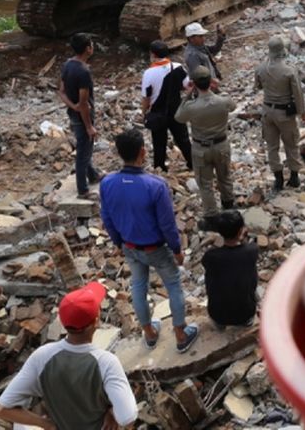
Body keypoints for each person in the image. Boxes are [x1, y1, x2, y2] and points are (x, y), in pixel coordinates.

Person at [99, 128, 199, 354]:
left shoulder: (107, 183)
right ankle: (181, 334)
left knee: (138, 285)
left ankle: (149, 332)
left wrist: (117, 243)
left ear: (119, 153)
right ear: (143, 152)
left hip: (129, 246)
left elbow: (106, 216)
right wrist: (176, 249)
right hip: (156, 248)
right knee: (173, 284)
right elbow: (167, 225)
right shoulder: (155, 185)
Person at [0, 281, 139, 430]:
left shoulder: (43, 356)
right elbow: (128, 418)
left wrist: (46, 425)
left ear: (63, 322)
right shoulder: (106, 362)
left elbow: (1, 409)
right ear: (96, 321)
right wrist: (112, 411)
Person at [175, 68, 235, 215]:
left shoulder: (191, 107)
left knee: (205, 184)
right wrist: (217, 88)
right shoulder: (223, 101)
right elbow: (233, 106)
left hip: (201, 148)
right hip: (221, 145)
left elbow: (178, 117)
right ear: (211, 81)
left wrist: (188, 95)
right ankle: (229, 207)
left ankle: (212, 214)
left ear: (194, 84)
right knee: (225, 177)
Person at [253, 36, 305, 191]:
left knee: (272, 146)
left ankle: (278, 179)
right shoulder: (289, 71)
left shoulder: (260, 68)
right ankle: (294, 177)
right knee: (291, 143)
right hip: (285, 113)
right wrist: (302, 112)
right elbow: (297, 94)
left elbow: (257, 87)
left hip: (267, 111)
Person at [59, 33, 101, 198]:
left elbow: (61, 92)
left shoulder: (68, 64)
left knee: (85, 147)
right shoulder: (84, 72)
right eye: (91, 44)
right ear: (88, 49)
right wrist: (89, 126)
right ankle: (82, 189)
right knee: (83, 152)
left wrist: (72, 106)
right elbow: (84, 103)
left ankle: (93, 175)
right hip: (83, 117)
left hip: (74, 114)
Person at [140, 41, 192, 173]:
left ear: (153, 54)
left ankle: (160, 167)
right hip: (176, 109)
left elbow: (146, 97)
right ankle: (192, 162)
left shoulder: (149, 73)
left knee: (158, 141)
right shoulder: (178, 67)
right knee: (183, 138)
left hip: (157, 111)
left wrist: (143, 111)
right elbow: (187, 86)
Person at [200, 210, 258, 328]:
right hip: (245, 313)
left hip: (218, 314)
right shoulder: (252, 251)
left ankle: (220, 324)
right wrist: (243, 239)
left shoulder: (211, 256)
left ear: (219, 232)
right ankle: (246, 322)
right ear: (241, 230)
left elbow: (207, 262)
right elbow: (245, 248)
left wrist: (213, 243)